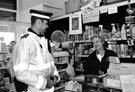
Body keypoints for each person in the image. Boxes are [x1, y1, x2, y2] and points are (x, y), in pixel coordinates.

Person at [12, 9, 60, 92]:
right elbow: (20, 73)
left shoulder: (44, 41)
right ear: (38, 22)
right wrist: (44, 83)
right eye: (46, 23)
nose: (47, 26)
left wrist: (55, 76)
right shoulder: (25, 42)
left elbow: (50, 63)